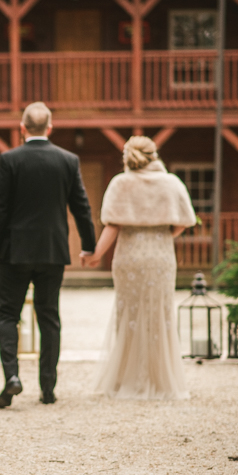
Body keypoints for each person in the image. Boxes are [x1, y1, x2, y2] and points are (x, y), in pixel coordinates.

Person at [0, 102, 96, 408]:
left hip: (14, 251)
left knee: (8, 314)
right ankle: (47, 388)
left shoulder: (9, 159)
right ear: (50, 128)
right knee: (49, 317)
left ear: (22, 128)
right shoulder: (68, 160)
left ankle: (12, 378)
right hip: (52, 250)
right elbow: (81, 207)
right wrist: (88, 246)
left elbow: (0, 208)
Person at [84, 136, 196, 400]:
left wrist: (95, 254)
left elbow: (112, 225)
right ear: (153, 155)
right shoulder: (171, 183)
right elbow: (182, 222)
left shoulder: (120, 184)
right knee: (161, 312)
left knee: (129, 313)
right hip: (160, 255)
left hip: (129, 255)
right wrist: (159, 235)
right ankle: (161, 381)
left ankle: (126, 377)